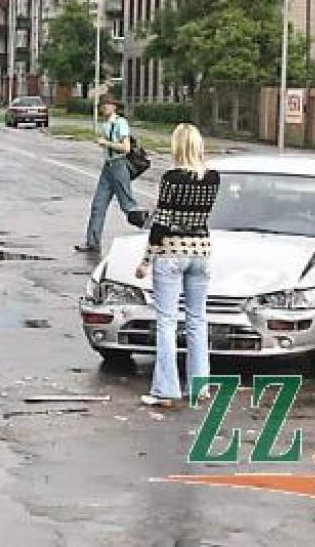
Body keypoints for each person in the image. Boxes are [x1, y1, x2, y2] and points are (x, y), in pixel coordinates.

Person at [135, 124, 220, 408]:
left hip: (171, 253)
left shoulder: (171, 179)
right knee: (197, 320)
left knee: (167, 322)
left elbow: (161, 223)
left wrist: (146, 261)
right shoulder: (213, 178)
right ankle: (200, 387)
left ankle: (165, 390)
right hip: (201, 252)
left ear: (177, 147)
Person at [75, 96, 147, 254]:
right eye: (103, 105)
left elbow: (126, 148)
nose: (105, 107)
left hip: (119, 166)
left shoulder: (120, 123)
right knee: (98, 205)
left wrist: (106, 143)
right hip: (108, 167)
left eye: (108, 105)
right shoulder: (105, 124)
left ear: (114, 107)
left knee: (128, 206)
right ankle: (92, 243)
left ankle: (152, 229)